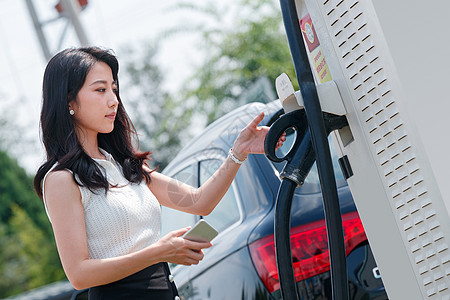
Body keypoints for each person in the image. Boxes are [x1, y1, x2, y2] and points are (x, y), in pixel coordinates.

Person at [33, 47, 285, 299]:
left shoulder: (124, 165)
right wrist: (160, 251)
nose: (114, 100)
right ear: (68, 100)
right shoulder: (61, 180)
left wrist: (239, 152)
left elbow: (198, 201)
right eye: (101, 90)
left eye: (114, 89)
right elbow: (79, 274)